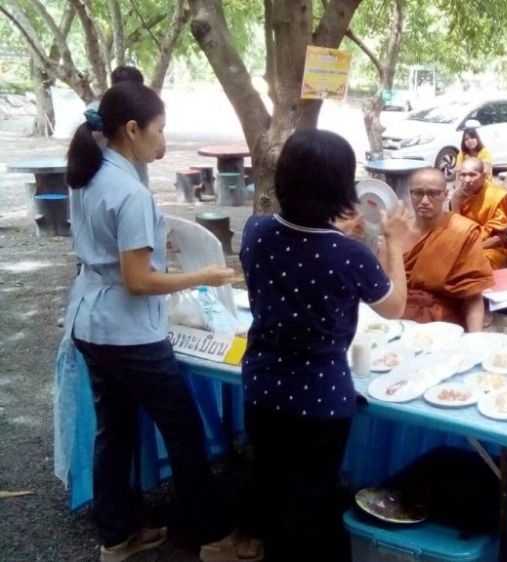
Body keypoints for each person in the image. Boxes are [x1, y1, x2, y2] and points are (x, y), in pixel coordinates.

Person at [63, 82, 261, 562]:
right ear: (132, 130)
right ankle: (215, 535)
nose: (163, 142)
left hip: (89, 321)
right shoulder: (129, 191)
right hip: (127, 331)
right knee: (184, 428)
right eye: (159, 130)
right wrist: (202, 276)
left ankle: (117, 535)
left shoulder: (88, 174)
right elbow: (137, 280)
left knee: (115, 430)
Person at [241, 129, 407, 560]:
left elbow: (298, 252)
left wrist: (337, 230)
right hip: (320, 399)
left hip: (262, 387)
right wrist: (394, 243)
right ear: (342, 189)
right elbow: (394, 307)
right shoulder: (347, 255)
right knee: (314, 501)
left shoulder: (255, 232)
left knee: (274, 491)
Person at [403, 167, 495, 331]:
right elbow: (384, 288)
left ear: (445, 195)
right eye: (418, 193)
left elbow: (473, 296)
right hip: (399, 319)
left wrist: (475, 340)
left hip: (444, 325)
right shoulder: (397, 231)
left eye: (433, 193)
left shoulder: (461, 231)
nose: (424, 200)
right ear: (410, 194)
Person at [452, 157, 507, 269]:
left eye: (472, 175)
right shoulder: (460, 196)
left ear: (483, 176)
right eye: (463, 175)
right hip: (464, 245)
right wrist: (456, 202)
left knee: (477, 262)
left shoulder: (498, 196)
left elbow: (499, 238)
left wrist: (474, 249)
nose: (467, 180)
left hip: (492, 248)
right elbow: (455, 231)